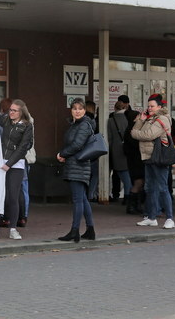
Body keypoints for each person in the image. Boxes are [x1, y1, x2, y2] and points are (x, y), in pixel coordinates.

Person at [0, 99, 33, 241]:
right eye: (10, 110)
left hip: (16, 165)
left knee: (13, 196)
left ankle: (13, 228)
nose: (11, 112)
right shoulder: (6, 120)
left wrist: (9, 163)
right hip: (0, 162)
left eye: (14, 110)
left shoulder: (27, 126)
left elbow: (23, 147)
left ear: (21, 112)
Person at [131, 94, 175, 229]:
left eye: (152, 106)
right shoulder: (150, 118)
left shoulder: (162, 119)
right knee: (150, 187)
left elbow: (147, 135)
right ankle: (151, 217)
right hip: (149, 157)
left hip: (159, 158)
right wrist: (140, 121)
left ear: (160, 107)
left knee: (162, 188)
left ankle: (169, 218)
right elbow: (137, 131)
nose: (149, 108)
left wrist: (135, 133)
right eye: (148, 106)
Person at [56, 98, 96, 242]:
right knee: (83, 199)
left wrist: (62, 154)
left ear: (85, 110)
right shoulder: (75, 124)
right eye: (74, 108)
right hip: (75, 164)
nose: (77, 111)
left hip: (79, 165)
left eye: (80, 108)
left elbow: (77, 145)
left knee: (78, 199)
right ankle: (90, 230)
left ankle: (75, 231)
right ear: (71, 110)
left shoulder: (84, 125)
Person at [108, 100, 132, 207]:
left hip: (116, 150)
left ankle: (126, 195)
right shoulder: (128, 119)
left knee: (121, 174)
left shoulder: (111, 120)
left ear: (115, 108)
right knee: (126, 174)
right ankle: (127, 196)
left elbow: (109, 138)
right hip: (127, 149)